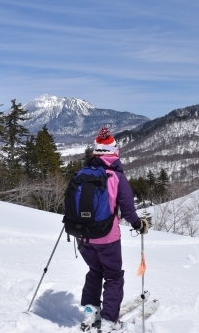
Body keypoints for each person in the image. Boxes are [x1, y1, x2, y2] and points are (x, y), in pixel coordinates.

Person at [78, 127, 149, 332]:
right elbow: (127, 210)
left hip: (83, 237)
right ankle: (109, 320)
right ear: (113, 151)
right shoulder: (117, 177)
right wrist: (139, 225)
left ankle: (91, 312)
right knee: (113, 276)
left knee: (94, 271)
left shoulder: (82, 173)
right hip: (107, 237)